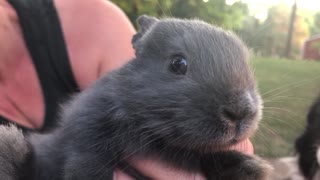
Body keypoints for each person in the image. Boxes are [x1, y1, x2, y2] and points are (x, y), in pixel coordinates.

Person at [0, 0, 253, 179]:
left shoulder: (90, 20)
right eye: (179, 65)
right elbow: (81, 127)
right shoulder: (107, 104)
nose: (244, 107)